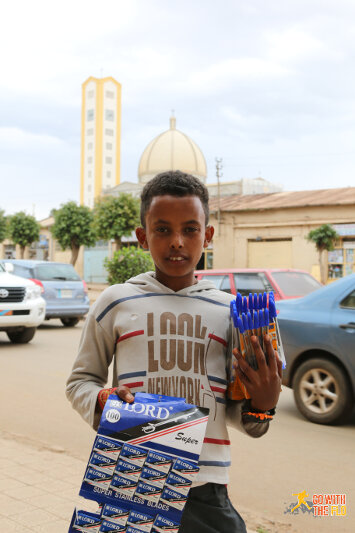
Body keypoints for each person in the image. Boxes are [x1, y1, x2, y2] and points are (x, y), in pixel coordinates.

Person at [66, 170, 282, 533]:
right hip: (133, 474)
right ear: (142, 237)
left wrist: (264, 404)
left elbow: (246, 419)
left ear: (208, 236)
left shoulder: (231, 313)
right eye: (162, 229)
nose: (177, 241)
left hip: (206, 486)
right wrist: (104, 400)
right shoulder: (115, 302)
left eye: (191, 229)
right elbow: (80, 382)